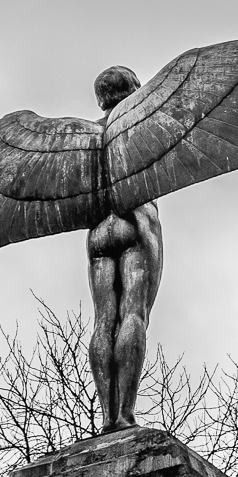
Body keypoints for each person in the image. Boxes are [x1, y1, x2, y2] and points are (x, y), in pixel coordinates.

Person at [85, 65, 162, 433]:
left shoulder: (84, 137)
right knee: (134, 315)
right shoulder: (143, 122)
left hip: (98, 231)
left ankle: (105, 417)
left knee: (103, 320)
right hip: (136, 220)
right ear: (134, 89)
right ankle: (124, 415)